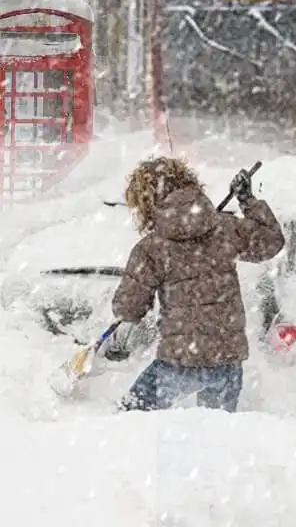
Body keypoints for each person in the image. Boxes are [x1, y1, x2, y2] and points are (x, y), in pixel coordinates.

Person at [111, 157, 285, 412]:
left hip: (180, 360)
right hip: (226, 359)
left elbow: (128, 307)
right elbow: (272, 242)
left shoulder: (151, 248)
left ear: (146, 202)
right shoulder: (224, 229)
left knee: (128, 420)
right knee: (215, 439)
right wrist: (247, 200)